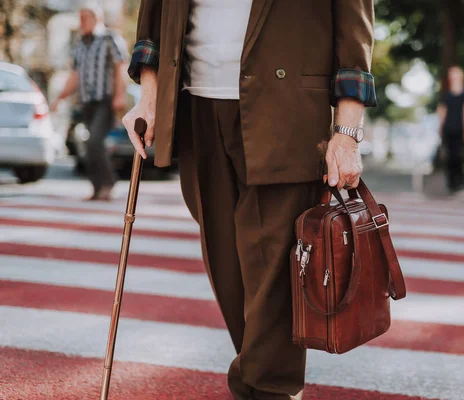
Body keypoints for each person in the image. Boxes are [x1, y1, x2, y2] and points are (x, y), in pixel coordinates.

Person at [122, 1, 376, 398]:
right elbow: (154, 16)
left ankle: (266, 388)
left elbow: (353, 29)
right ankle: (267, 380)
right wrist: (149, 95)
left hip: (288, 109)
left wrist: (347, 131)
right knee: (229, 266)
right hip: (194, 108)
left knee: (274, 268)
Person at [51, 4, 128, 201]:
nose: (81, 22)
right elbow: (74, 76)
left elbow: (120, 67)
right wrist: (59, 98)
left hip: (105, 100)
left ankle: (108, 183)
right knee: (88, 143)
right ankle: (97, 188)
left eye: (85, 18)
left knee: (94, 141)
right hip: (87, 102)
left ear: (96, 19)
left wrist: (120, 95)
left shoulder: (110, 38)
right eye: (80, 18)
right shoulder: (79, 44)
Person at [437, 66, 464, 192]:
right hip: (449, 129)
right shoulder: (446, 95)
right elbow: (442, 113)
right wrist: (440, 129)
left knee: (458, 156)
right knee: (449, 157)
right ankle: (451, 183)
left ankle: (461, 181)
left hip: (460, 130)